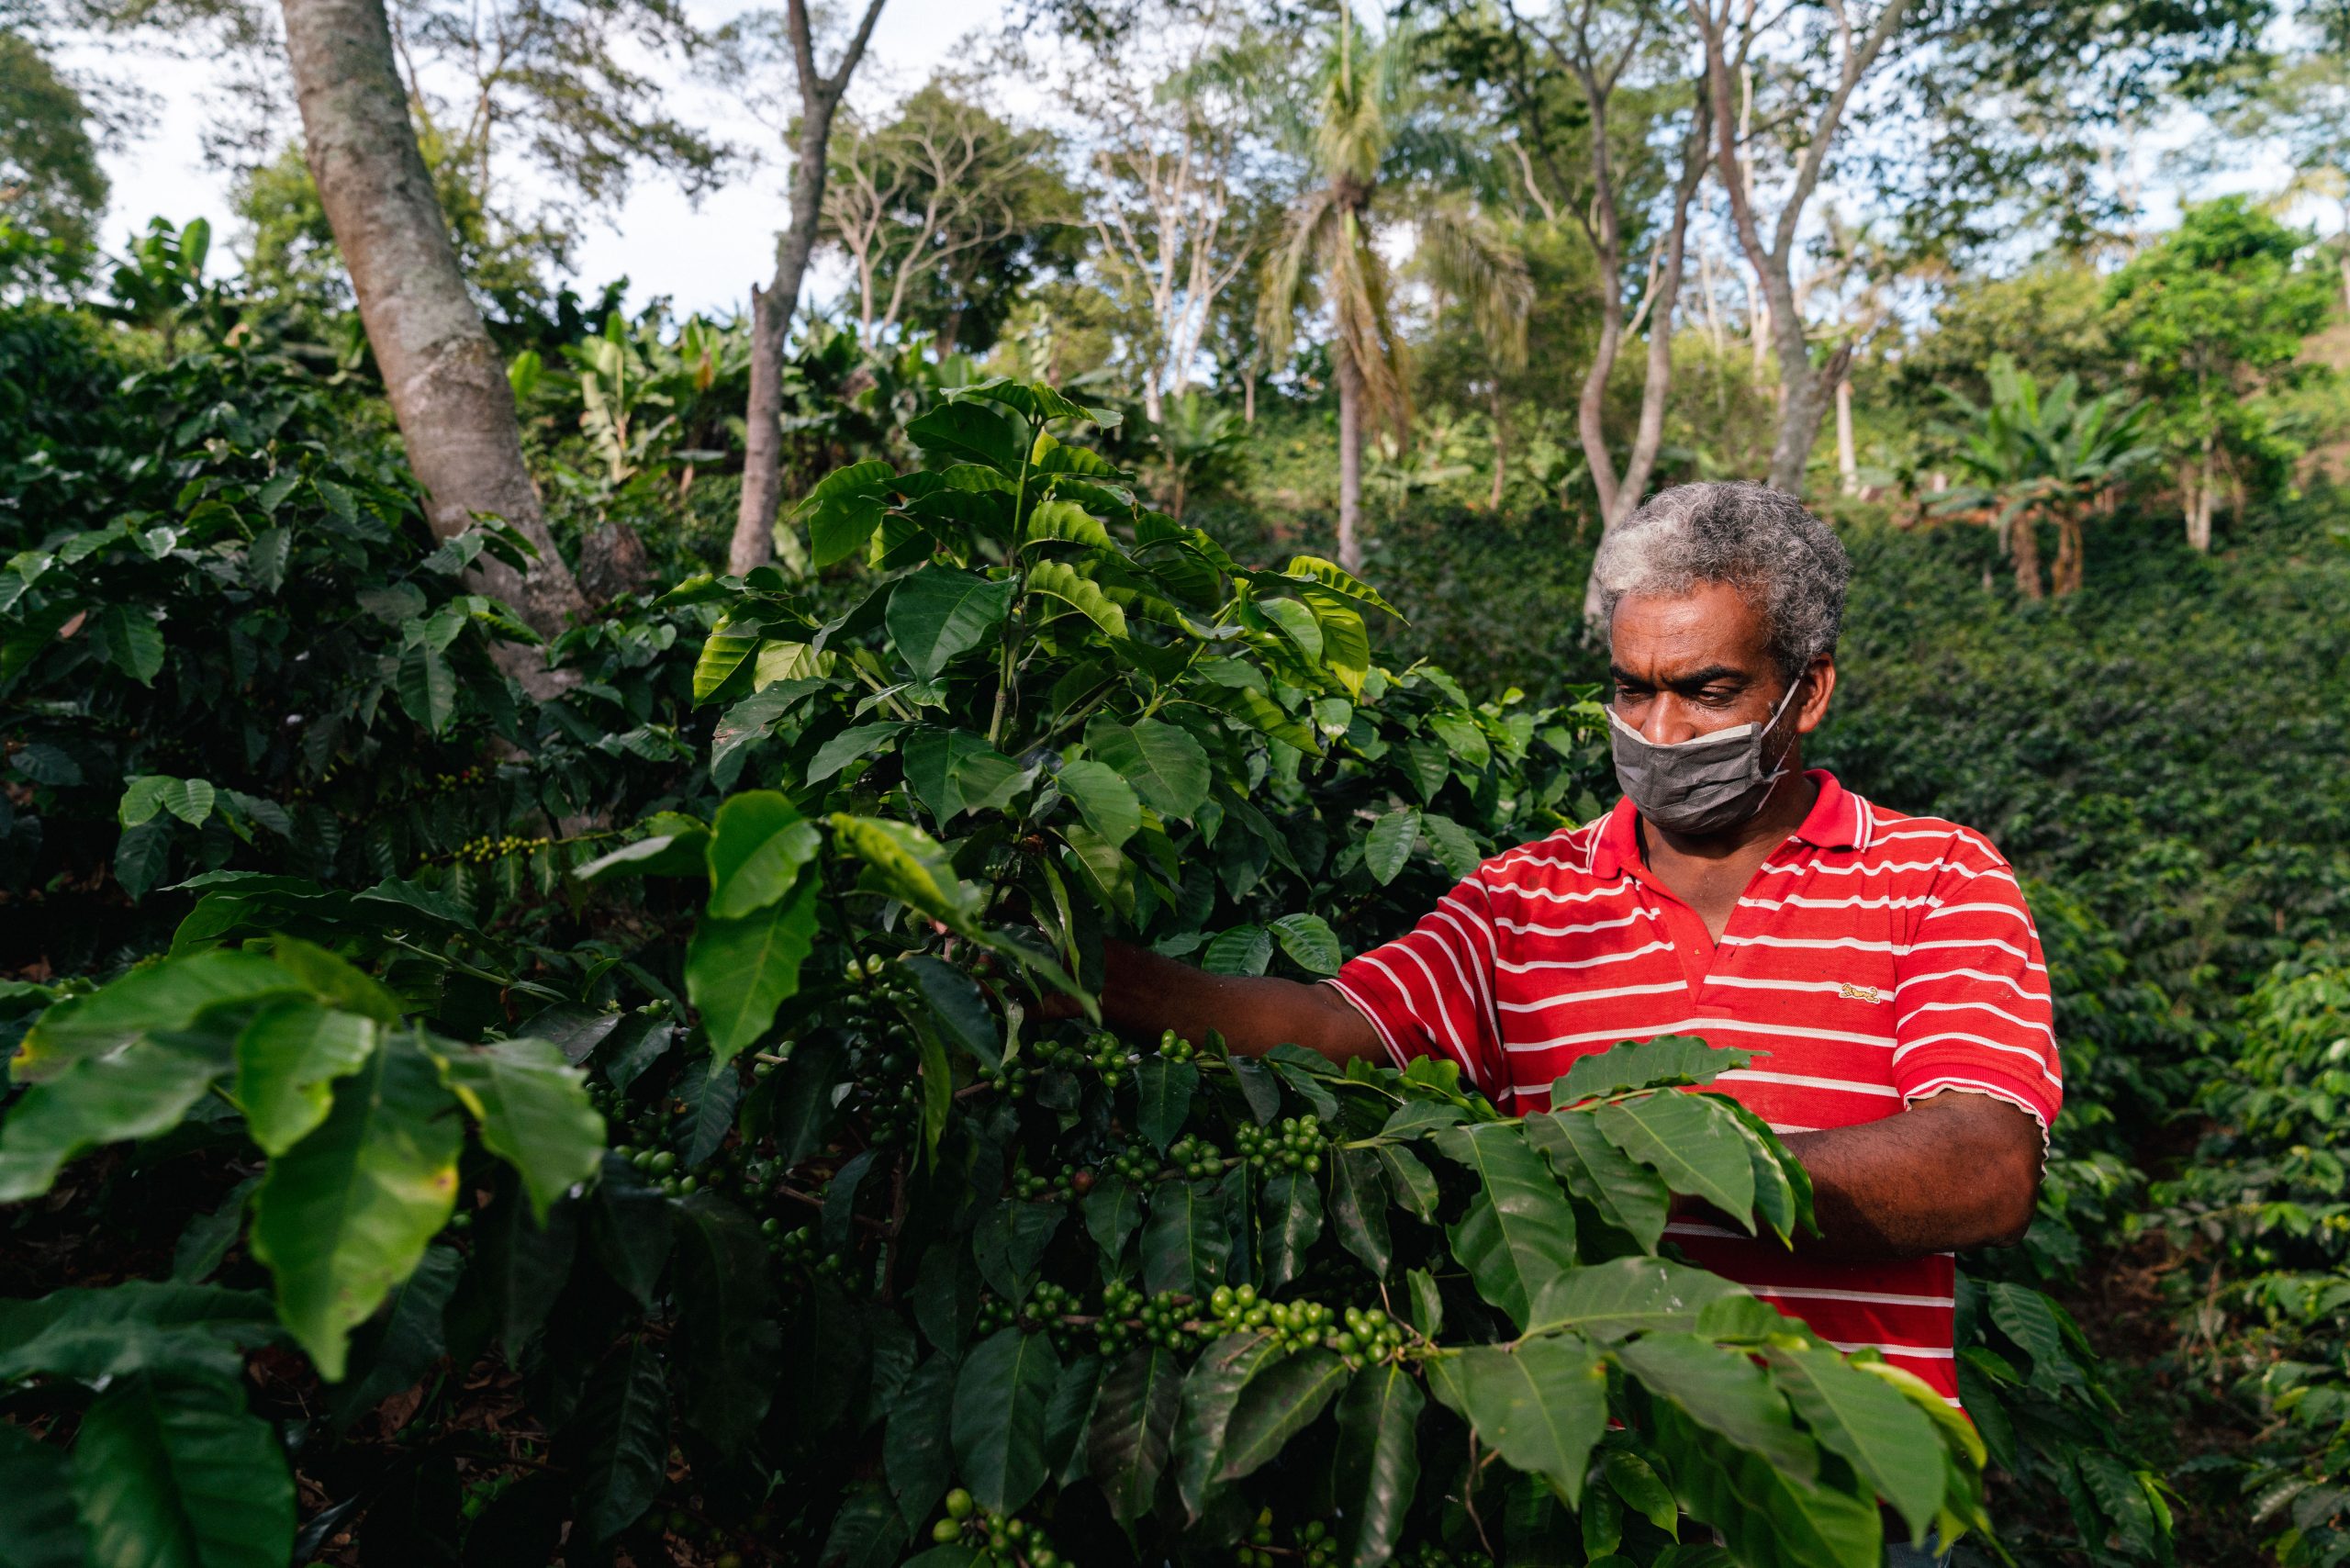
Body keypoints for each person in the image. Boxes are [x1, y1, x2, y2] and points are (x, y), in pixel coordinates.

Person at [1091, 481, 2057, 1462]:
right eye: (1633, 687)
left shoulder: (1933, 877)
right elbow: (1332, 1028)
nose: (1660, 731)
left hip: (1854, 1499)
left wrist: (1655, 1164)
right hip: (1591, 1494)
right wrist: (1088, 976)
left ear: (1807, 690)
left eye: (1707, 690)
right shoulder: (1524, 901)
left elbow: (1984, 1166)